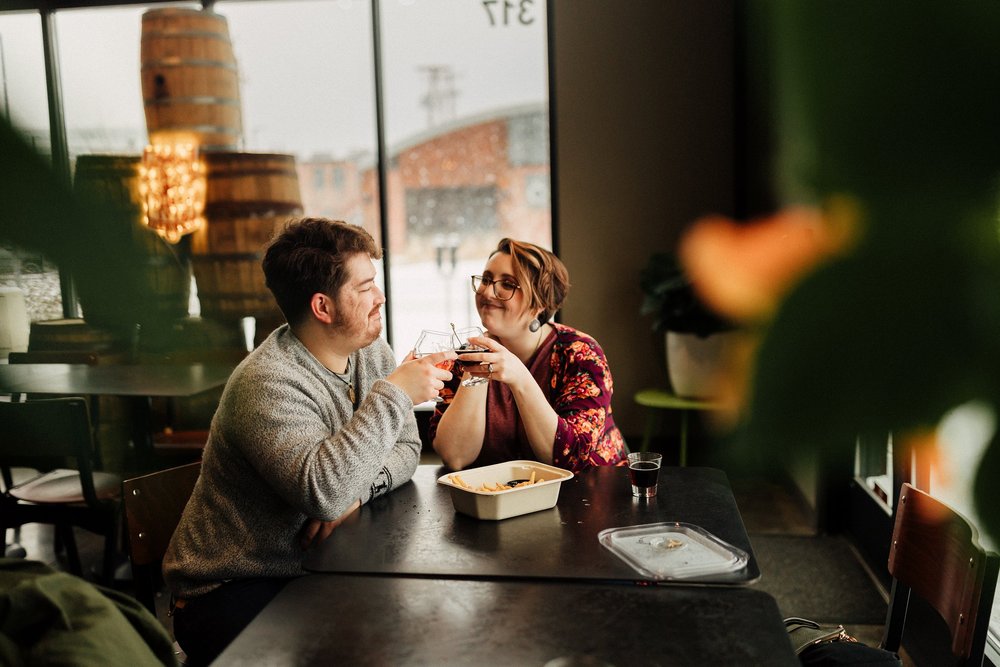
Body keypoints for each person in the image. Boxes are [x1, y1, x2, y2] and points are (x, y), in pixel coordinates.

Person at [163, 218, 455, 665]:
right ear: (323, 306)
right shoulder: (267, 383)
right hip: (230, 588)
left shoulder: (369, 348)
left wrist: (354, 492)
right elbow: (323, 491)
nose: (381, 297)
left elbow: (407, 450)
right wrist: (395, 394)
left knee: (420, 628)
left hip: (316, 567)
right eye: (365, 287)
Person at [429, 238, 627, 472]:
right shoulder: (466, 358)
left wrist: (520, 378)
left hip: (592, 492)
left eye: (508, 284)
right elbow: (455, 457)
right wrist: (478, 369)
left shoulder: (580, 354)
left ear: (540, 302)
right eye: (487, 279)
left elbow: (570, 458)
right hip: (504, 501)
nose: (488, 292)